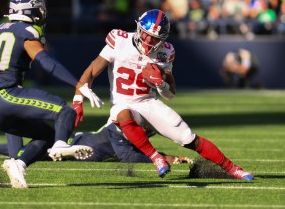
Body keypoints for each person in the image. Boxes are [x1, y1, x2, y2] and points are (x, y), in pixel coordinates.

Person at [72, 9, 254, 180]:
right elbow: (92, 71)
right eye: (146, 34)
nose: (149, 41)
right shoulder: (119, 40)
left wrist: (161, 83)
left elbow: (170, 94)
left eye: (155, 38)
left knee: (190, 138)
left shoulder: (165, 52)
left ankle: (233, 168)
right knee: (121, 111)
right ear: (139, 28)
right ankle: (156, 157)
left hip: (148, 103)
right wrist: (78, 98)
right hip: (124, 104)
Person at [0, 0, 103, 188]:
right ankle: (60, 145)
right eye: (39, 10)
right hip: (6, 94)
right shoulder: (27, 32)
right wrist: (77, 84)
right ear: (30, 11)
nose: (42, 14)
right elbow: (46, 62)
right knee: (64, 111)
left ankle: (18, 164)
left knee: (46, 136)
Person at [0, 124, 194, 165]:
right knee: (36, 153)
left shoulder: (127, 128)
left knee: (37, 153)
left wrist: (170, 156)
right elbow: (132, 156)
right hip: (77, 147)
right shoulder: (121, 129)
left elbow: (140, 149)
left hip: (83, 144)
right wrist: (167, 159)